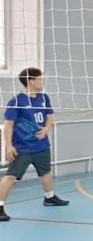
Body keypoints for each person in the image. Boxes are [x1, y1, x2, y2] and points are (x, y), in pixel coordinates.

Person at [0, 67, 69, 222]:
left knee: (45, 172)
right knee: (11, 176)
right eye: (40, 79)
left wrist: (46, 128)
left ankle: (49, 197)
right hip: (22, 147)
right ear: (31, 81)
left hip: (41, 146)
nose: (42, 81)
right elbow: (8, 125)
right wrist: (9, 146)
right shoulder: (17, 101)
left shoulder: (44, 98)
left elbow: (49, 116)